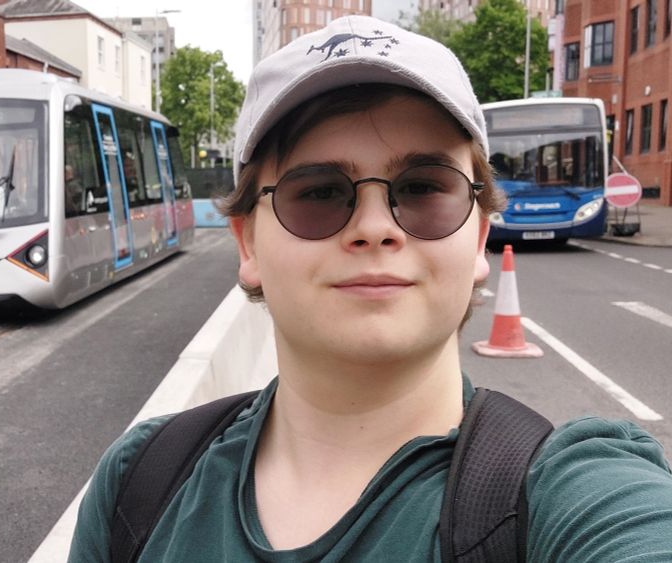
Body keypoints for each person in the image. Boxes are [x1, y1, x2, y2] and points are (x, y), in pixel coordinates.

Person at [69, 15, 672, 561]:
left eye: (423, 188)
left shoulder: (574, 494)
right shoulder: (138, 482)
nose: (376, 227)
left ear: (480, 236)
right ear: (248, 244)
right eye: (319, 192)